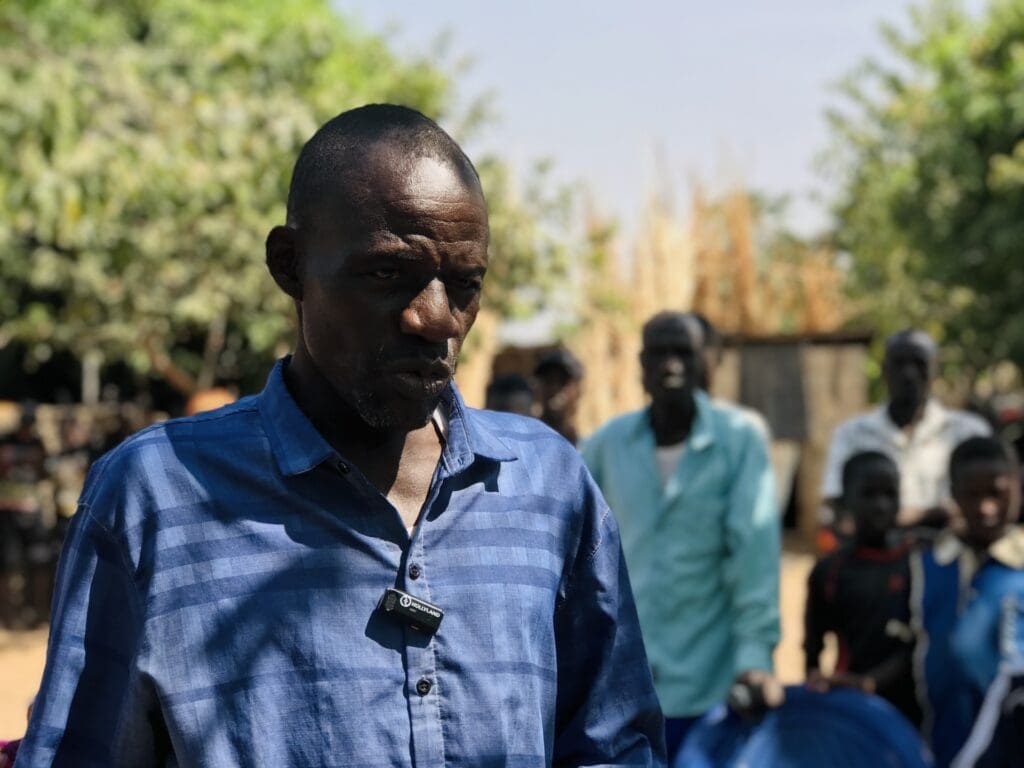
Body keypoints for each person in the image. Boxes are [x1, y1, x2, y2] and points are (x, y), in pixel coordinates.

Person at [19, 105, 664, 766]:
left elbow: (614, 746)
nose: (435, 319)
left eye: (464, 285)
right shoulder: (155, 497)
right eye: (387, 274)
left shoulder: (547, 487)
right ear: (290, 265)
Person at [581, 311, 781, 762]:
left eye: (683, 353)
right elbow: (577, 554)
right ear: (641, 366)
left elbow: (753, 559)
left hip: (711, 681)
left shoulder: (740, 441)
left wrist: (754, 658)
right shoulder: (606, 446)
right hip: (624, 685)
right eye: (660, 354)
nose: (672, 364)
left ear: (704, 362)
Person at [913, 436, 1024, 767]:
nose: (985, 508)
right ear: (953, 494)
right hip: (943, 743)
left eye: (997, 493)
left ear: (1017, 485)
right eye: (971, 495)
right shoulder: (927, 565)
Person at [820, 329, 991, 543]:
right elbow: (835, 508)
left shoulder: (968, 432)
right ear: (884, 370)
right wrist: (936, 515)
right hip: (876, 560)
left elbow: (981, 502)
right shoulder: (851, 434)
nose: (908, 374)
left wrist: (883, 521)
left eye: (918, 363)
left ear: (935, 370)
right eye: (899, 363)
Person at [804, 451, 921, 726]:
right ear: (846, 501)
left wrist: (872, 682)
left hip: (916, 709)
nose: (881, 505)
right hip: (854, 712)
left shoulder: (920, 563)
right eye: (868, 495)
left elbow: (922, 642)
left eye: (890, 494)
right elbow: (812, 652)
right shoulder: (829, 572)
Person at [533, 347, 584, 444]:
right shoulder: (525, 444)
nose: (554, 389)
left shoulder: (588, 449)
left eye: (563, 381)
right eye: (548, 381)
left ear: (578, 391)